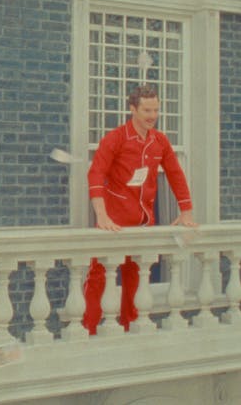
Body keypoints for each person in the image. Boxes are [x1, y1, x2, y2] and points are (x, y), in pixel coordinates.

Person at [84, 84, 196, 334]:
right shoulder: (115, 138)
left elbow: (176, 174)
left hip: (144, 222)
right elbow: (96, 175)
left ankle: (129, 326)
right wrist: (101, 216)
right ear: (132, 108)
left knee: (136, 278)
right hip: (114, 223)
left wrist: (186, 211)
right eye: (147, 110)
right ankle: (88, 328)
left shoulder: (160, 141)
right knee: (98, 278)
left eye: (156, 110)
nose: (152, 116)